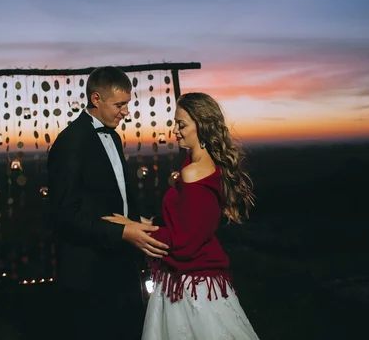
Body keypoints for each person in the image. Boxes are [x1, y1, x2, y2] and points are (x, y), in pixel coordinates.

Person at [103, 92, 261, 339]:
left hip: (190, 287)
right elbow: (190, 224)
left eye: (182, 124)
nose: (175, 130)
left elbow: (183, 243)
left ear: (203, 126)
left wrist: (131, 230)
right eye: (175, 123)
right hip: (199, 281)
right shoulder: (205, 165)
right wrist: (148, 222)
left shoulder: (193, 172)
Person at [46, 66, 170, 339]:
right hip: (89, 271)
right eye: (120, 104)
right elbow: (64, 215)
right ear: (96, 99)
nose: (126, 111)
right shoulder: (70, 142)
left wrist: (138, 222)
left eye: (127, 104)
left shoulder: (112, 136)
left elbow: (115, 197)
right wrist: (122, 232)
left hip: (121, 262)